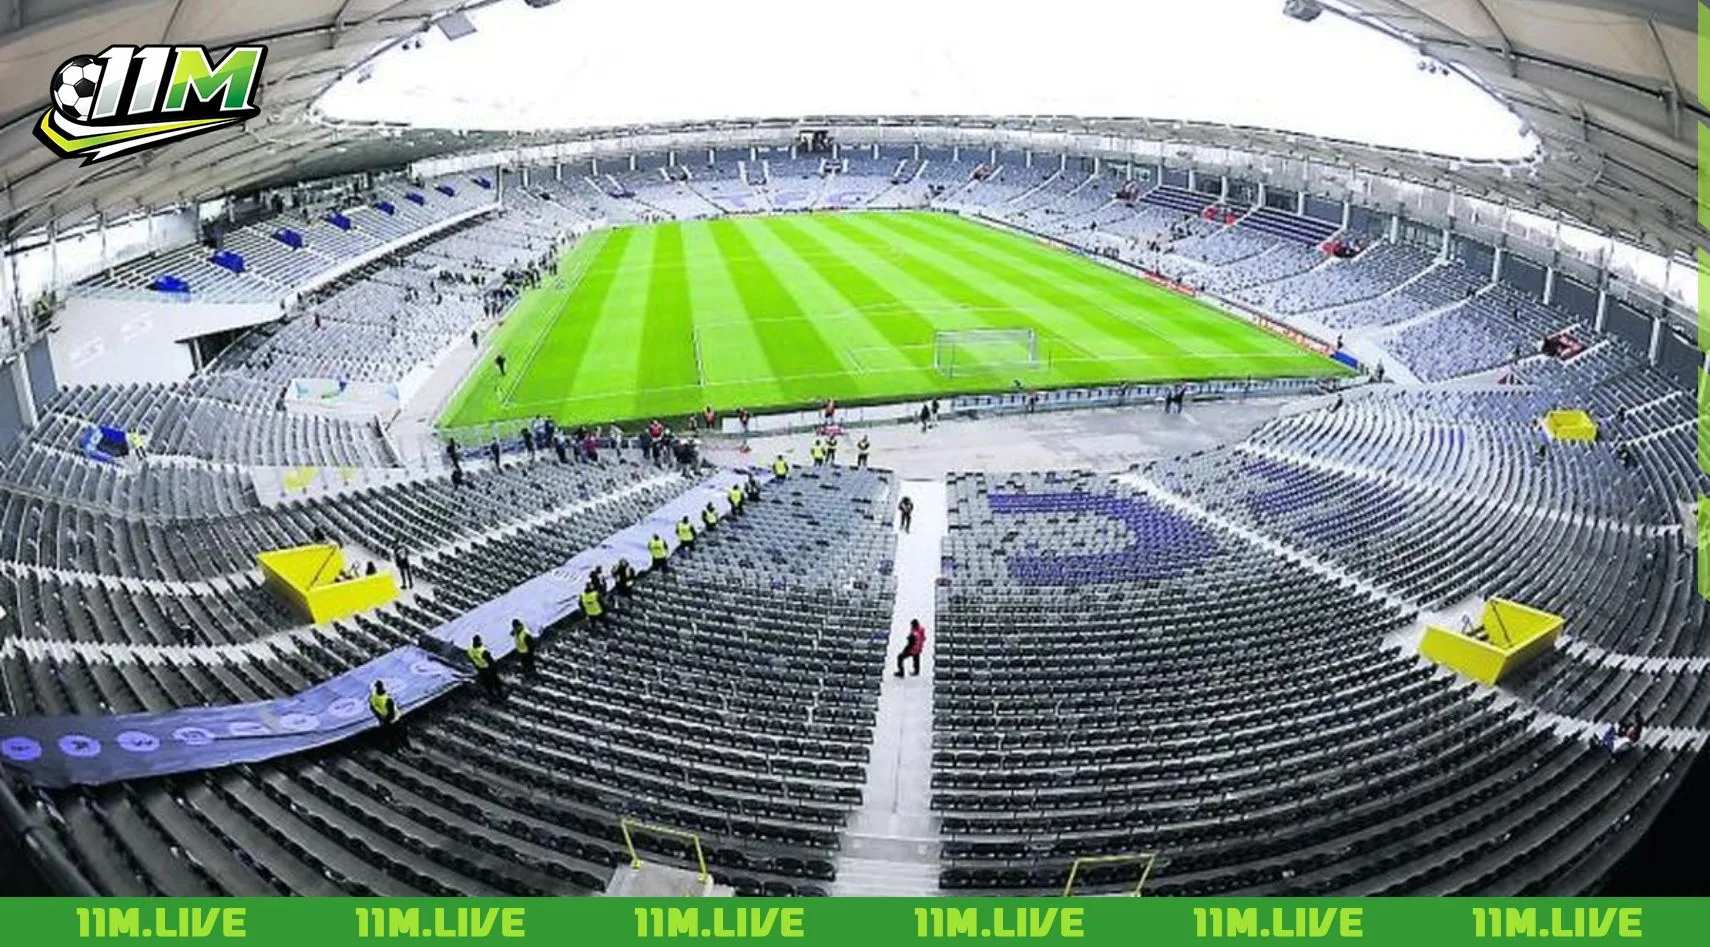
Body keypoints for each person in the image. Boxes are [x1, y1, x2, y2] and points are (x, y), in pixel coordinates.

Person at [369, 680, 406, 747]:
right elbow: (391, 712)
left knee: (390, 734)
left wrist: (380, 718)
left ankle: (396, 746)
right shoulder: (387, 698)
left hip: (384, 718)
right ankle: (400, 746)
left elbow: (373, 706)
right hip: (391, 719)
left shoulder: (374, 696)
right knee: (397, 733)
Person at [468, 634, 502, 700]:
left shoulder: (470, 650)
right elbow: (491, 661)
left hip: (480, 668)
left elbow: (471, 659)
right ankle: (500, 694)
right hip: (488, 668)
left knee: (487, 683)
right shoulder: (483, 651)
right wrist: (494, 668)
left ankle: (491, 694)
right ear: (479, 641)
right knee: (495, 681)